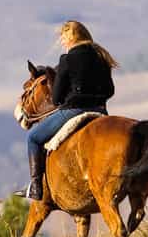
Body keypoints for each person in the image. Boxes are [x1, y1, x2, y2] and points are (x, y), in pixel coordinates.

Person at [17, 20, 118, 200]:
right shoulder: (101, 56)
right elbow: (110, 90)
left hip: (74, 110)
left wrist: (68, 98)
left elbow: (56, 98)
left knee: (33, 138)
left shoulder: (67, 59)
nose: (62, 42)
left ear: (71, 37)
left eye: (63, 38)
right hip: (101, 111)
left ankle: (36, 187)